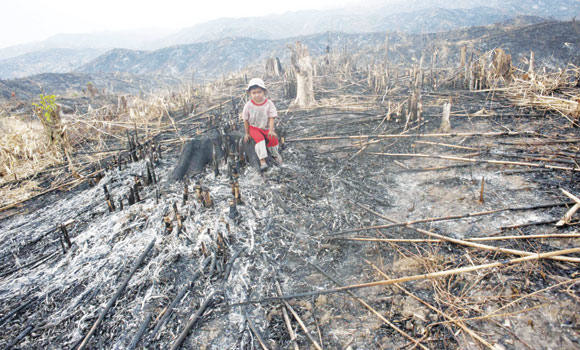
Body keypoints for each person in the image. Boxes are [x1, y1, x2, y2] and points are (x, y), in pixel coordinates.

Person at [242, 78, 282, 171]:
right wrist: (247, 133)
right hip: (254, 127)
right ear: (250, 94)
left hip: (265, 127)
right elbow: (245, 120)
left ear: (264, 92)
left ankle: (275, 155)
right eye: (254, 93)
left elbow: (271, 117)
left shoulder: (268, 103)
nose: (257, 95)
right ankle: (262, 160)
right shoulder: (248, 105)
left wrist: (271, 130)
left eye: (259, 92)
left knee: (273, 138)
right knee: (260, 140)